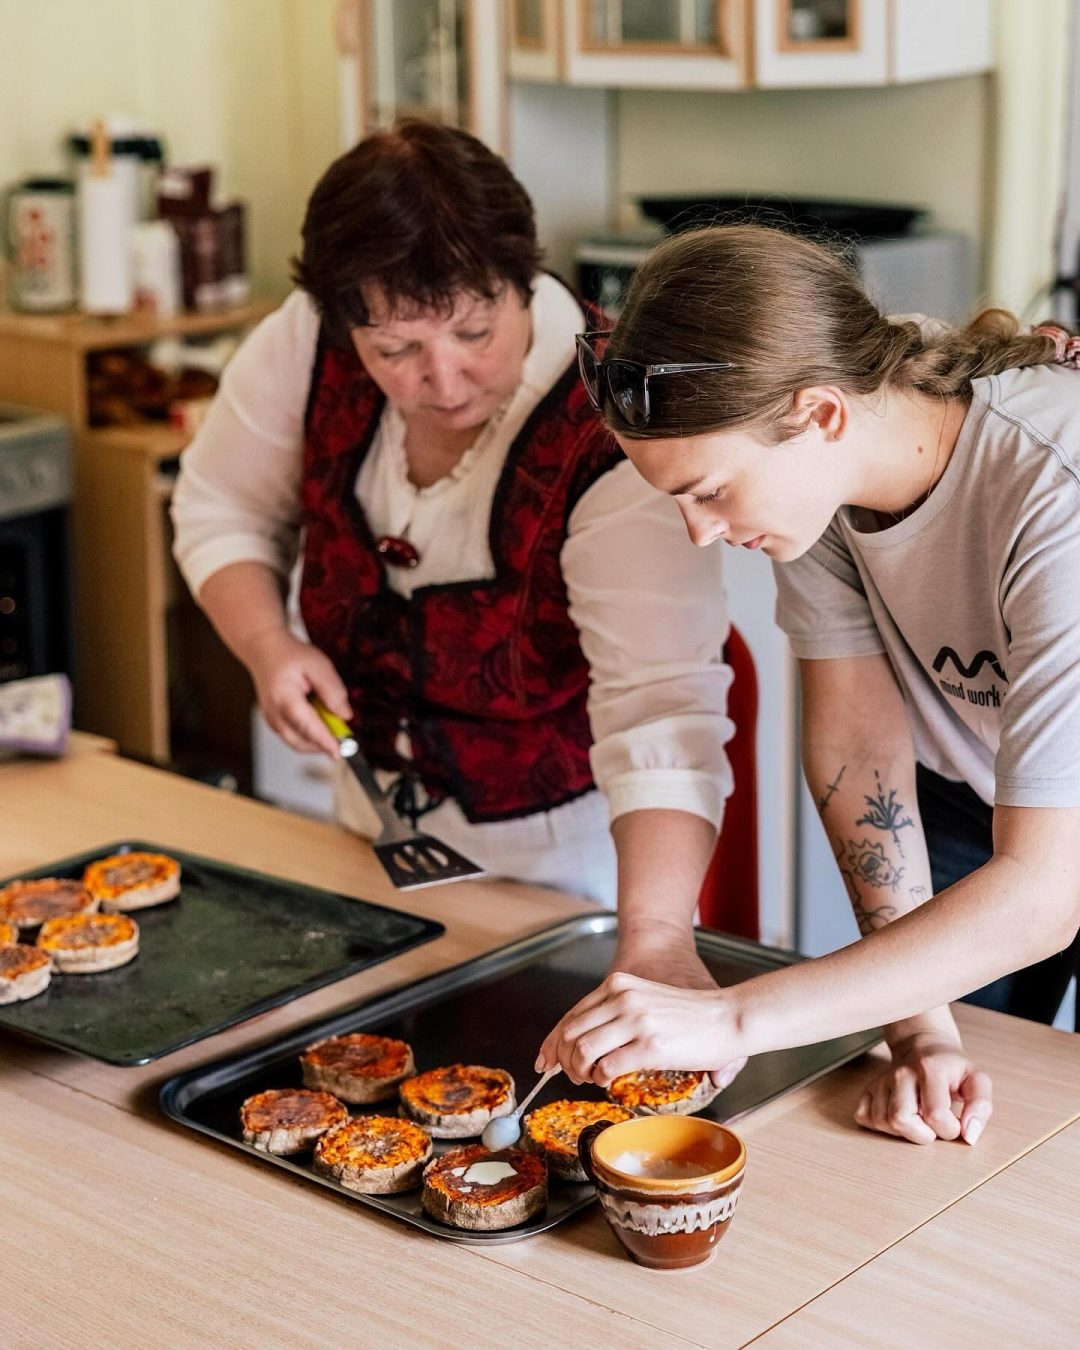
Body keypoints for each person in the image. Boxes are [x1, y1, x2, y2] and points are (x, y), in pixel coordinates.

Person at [539, 223, 1080, 1147]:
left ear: (819, 413)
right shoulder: (826, 483)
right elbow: (858, 755)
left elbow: (1042, 892)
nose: (699, 532)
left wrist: (733, 1019)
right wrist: (918, 1026)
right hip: (973, 796)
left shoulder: (1054, 491)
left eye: (709, 491)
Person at [171, 122, 737, 998]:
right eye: (395, 350)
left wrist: (655, 940)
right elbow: (220, 506)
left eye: (475, 332)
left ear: (525, 280)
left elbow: (659, 707)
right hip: (365, 831)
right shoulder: (306, 342)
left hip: (564, 872)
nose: (444, 380)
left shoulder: (612, 427)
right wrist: (266, 646)